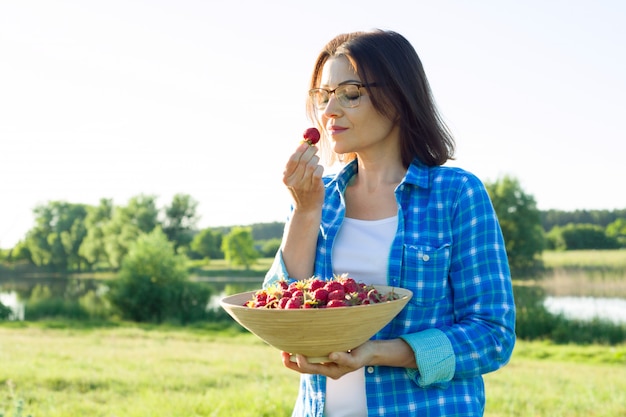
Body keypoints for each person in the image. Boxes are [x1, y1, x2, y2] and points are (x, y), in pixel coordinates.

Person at [263, 29, 516, 417]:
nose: (330, 111)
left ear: (398, 97)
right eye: (323, 96)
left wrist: (377, 353)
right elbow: (277, 306)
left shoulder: (456, 194)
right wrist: (305, 211)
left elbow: (491, 335)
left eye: (350, 94)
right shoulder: (319, 195)